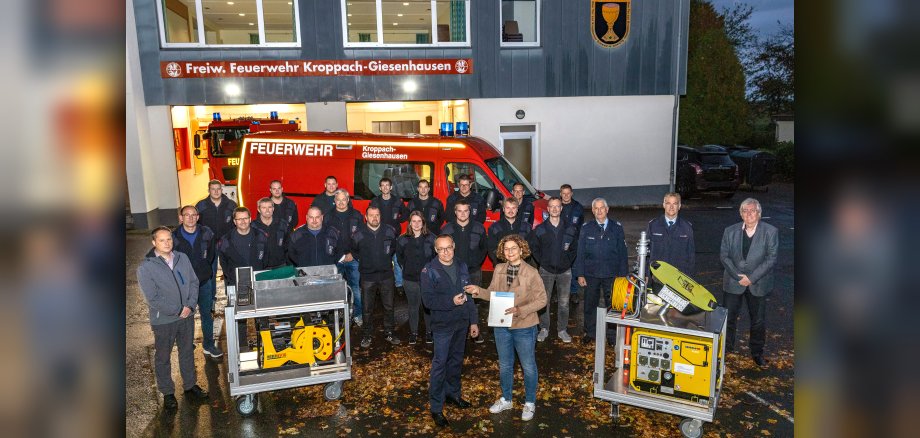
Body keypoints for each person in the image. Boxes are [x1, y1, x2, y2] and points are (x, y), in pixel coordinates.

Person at [465, 234, 546, 422]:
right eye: (506, 249)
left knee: (528, 366)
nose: (510, 252)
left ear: (521, 250)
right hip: (502, 325)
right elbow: (493, 293)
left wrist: (521, 309)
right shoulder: (499, 268)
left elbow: (542, 300)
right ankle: (507, 399)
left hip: (524, 325)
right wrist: (479, 291)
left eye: (513, 248)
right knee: (505, 365)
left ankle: (530, 402)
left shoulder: (532, 272)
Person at [137, 227, 209, 410]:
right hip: (164, 320)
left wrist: (190, 306)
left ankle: (190, 386)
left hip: (186, 315)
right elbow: (152, 298)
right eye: (162, 240)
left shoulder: (181, 258)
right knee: (163, 357)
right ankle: (168, 392)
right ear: (154, 243)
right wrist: (178, 310)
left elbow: (193, 282)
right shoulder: (146, 267)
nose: (167, 243)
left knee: (187, 352)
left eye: (169, 239)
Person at [422, 235, 479, 427]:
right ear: (436, 250)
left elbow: (469, 295)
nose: (446, 252)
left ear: (454, 246)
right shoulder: (429, 271)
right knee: (440, 365)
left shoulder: (462, 266)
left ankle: (453, 394)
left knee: (455, 362)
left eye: (449, 248)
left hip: (461, 323)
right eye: (441, 249)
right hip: (442, 326)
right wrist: (450, 302)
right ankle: (436, 408)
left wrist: (473, 321)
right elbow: (427, 302)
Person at [719, 198, 778, 367]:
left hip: (758, 284)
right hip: (733, 281)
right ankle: (726, 349)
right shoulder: (729, 231)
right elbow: (724, 256)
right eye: (745, 211)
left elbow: (771, 259)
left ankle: (757, 352)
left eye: (752, 211)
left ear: (759, 214)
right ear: (741, 213)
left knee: (758, 320)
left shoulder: (771, 232)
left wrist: (751, 278)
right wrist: (738, 276)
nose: (749, 214)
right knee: (728, 318)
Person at [573, 198, 628, 344]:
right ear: (592, 211)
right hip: (591, 274)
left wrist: (623, 276)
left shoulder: (617, 228)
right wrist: (580, 274)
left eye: (602, 208)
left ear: (607, 209)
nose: (599, 211)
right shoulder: (586, 228)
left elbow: (623, 253)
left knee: (613, 305)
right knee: (590, 305)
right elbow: (580, 253)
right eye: (596, 208)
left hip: (612, 275)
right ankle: (590, 333)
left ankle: (611, 336)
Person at [171, 206, 222, 358]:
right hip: (184, 286)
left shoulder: (207, 233)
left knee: (207, 314)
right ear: (181, 218)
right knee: (186, 316)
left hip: (204, 282)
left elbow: (212, 256)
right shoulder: (173, 237)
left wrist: (207, 274)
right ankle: (187, 345)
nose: (190, 218)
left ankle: (209, 345)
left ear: (198, 217)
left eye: (193, 215)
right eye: (186, 215)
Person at [217, 207, 269, 350]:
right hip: (237, 284)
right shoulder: (226, 240)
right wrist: (234, 279)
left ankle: (264, 344)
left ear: (250, 219)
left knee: (262, 316)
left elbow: (266, 258)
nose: (243, 221)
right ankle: (243, 347)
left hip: (258, 282)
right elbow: (224, 263)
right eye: (239, 219)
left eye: (245, 218)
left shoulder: (261, 236)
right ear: (234, 221)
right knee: (241, 318)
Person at [528, 196, 578, 343]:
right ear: (548, 209)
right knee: (544, 301)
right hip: (546, 271)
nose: (555, 209)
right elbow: (534, 248)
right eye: (552, 206)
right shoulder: (540, 229)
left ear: (561, 209)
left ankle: (562, 330)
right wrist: (542, 262)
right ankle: (544, 328)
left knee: (563, 302)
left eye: (558, 206)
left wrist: (567, 262)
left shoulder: (570, 229)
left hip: (565, 271)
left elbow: (574, 248)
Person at [351, 205, 401, 348]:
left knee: (389, 307)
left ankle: (389, 332)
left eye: (377, 215)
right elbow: (354, 250)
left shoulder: (389, 231)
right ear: (366, 217)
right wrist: (366, 261)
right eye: (371, 215)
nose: (374, 218)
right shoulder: (358, 234)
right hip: (367, 277)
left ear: (380, 216)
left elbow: (392, 248)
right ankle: (367, 335)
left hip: (386, 276)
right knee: (367, 309)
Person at [439, 200, 488, 343]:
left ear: (470, 212)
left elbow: (484, 247)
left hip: (473, 271)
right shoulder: (447, 229)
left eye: (465, 211)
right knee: (456, 300)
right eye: (459, 211)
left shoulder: (479, 228)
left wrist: (477, 262)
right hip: (453, 271)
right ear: (455, 212)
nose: (462, 214)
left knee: (473, 300)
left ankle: (474, 329)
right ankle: (457, 331)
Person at [323, 189, 365, 326]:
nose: (341, 202)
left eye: (343, 199)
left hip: (353, 259)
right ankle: (337, 317)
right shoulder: (328, 216)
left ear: (348, 200)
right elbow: (326, 238)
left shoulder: (357, 215)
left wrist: (354, 254)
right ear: (334, 201)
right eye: (338, 200)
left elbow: (361, 237)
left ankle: (358, 315)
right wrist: (333, 256)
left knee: (356, 289)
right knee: (335, 289)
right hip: (335, 260)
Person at [396, 211, 438, 345]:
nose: (416, 224)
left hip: (428, 280)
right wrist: (407, 268)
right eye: (414, 221)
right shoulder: (402, 239)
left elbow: (436, 258)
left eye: (419, 221)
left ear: (423, 222)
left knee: (428, 306)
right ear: (410, 223)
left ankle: (429, 332)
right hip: (410, 279)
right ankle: (413, 332)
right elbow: (399, 257)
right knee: (413, 307)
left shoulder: (432, 238)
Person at [370, 177, 409, 290]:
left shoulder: (397, 201)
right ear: (380, 188)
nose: (385, 187)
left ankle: (399, 285)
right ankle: (380, 283)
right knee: (380, 260)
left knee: (397, 260)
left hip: (395, 236)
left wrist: (399, 220)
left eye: (387, 185)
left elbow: (406, 213)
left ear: (391, 187)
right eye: (383, 185)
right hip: (379, 236)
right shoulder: (375, 201)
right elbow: (369, 216)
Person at [646, 192, 695, 278]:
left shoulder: (687, 227)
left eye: (675, 203)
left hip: (679, 277)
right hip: (657, 276)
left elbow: (691, 256)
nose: (671, 207)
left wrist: (689, 277)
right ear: (664, 205)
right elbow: (647, 252)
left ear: (679, 206)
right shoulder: (653, 225)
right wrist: (646, 274)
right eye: (668, 203)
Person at [487, 197, 533, 265]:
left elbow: (530, 247)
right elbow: (491, 249)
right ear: (503, 209)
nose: (511, 211)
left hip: (522, 266)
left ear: (517, 209)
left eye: (513, 208)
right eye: (508, 208)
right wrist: (503, 262)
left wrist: (520, 261)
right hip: (502, 266)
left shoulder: (527, 227)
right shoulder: (494, 228)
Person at [559, 184, 585, 304]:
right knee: (559, 267)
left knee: (574, 267)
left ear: (572, 193)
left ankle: (574, 293)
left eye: (568, 193)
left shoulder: (577, 207)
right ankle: (559, 292)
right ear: (560, 194)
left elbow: (577, 226)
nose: (566, 195)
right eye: (563, 193)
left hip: (574, 241)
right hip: (558, 241)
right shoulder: (556, 205)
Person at [251, 197, 291, 269]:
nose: (267, 210)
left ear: (273, 208)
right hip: (260, 267)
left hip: (281, 265)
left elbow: (289, 245)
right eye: (263, 208)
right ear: (258, 209)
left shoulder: (282, 224)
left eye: (269, 207)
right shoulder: (253, 227)